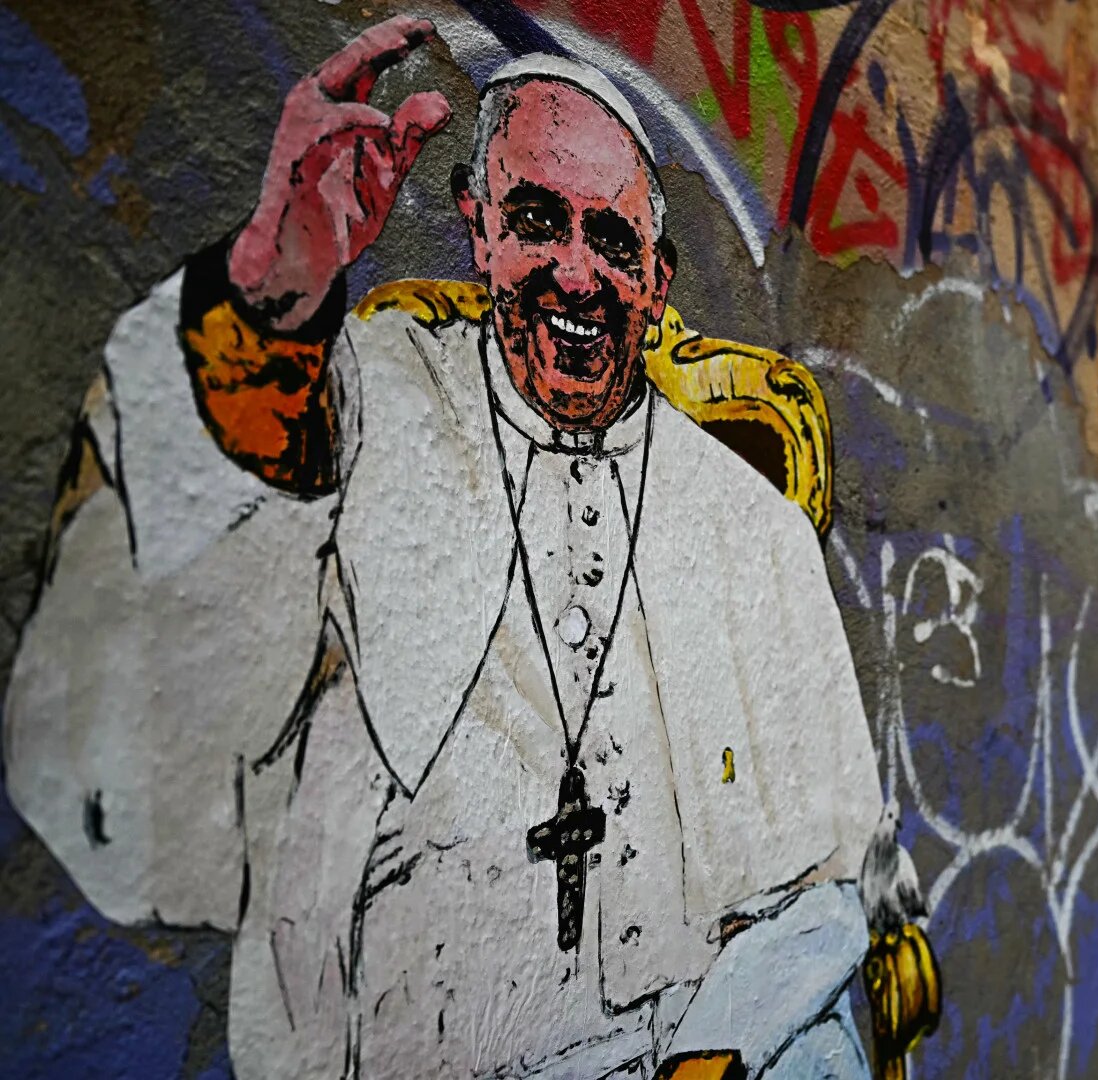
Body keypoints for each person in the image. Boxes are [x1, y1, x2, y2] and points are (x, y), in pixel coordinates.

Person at [4, 18, 936, 1079]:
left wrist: (720, 1050)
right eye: (537, 220)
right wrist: (273, 304)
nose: (576, 275)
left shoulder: (747, 518)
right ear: (476, 227)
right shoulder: (355, 404)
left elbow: (824, 884)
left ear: (658, 279)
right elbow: (142, 780)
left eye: (613, 241)